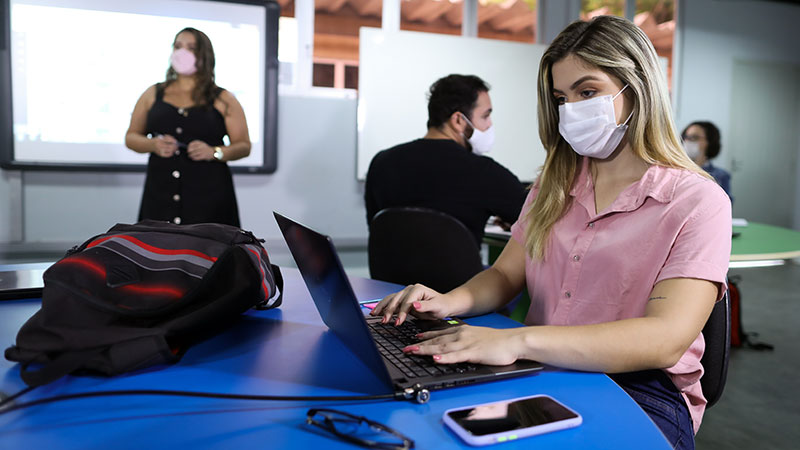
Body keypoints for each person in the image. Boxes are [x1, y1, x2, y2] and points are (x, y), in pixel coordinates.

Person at [371, 16, 731, 450]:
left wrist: (515, 340)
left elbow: (664, 340)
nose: (572, 109)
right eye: (561, 97)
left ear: (636, 88)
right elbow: (505, 276)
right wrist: (449, 301)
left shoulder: (697, 200)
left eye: (588, 91)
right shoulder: (553, 186)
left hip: (638, 388)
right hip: (539, 365)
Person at [364, 74, 527, 247]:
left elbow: (376, 228)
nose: (489, 125)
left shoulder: (381, 163)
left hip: (389, 274)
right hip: (465, 275)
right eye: (485, 116)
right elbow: (539, 219)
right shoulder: (482, 171)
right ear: (458, 121)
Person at [125, 27, 250, 227]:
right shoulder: (153, 93)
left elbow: (243, 145)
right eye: (178, 46)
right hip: (160, 195)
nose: (182, 52)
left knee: (211, 253)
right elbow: (131, 137)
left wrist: (214, 152)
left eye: (191, 48)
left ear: (204, 55)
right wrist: (153, 145)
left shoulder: (223, 98)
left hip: (209, 198)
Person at [682, 121, 732, 199]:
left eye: (694, 137)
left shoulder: (720, 176)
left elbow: (726, 206)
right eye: (686, 137)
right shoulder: (677, 171)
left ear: (709, 142)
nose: (688, 141)